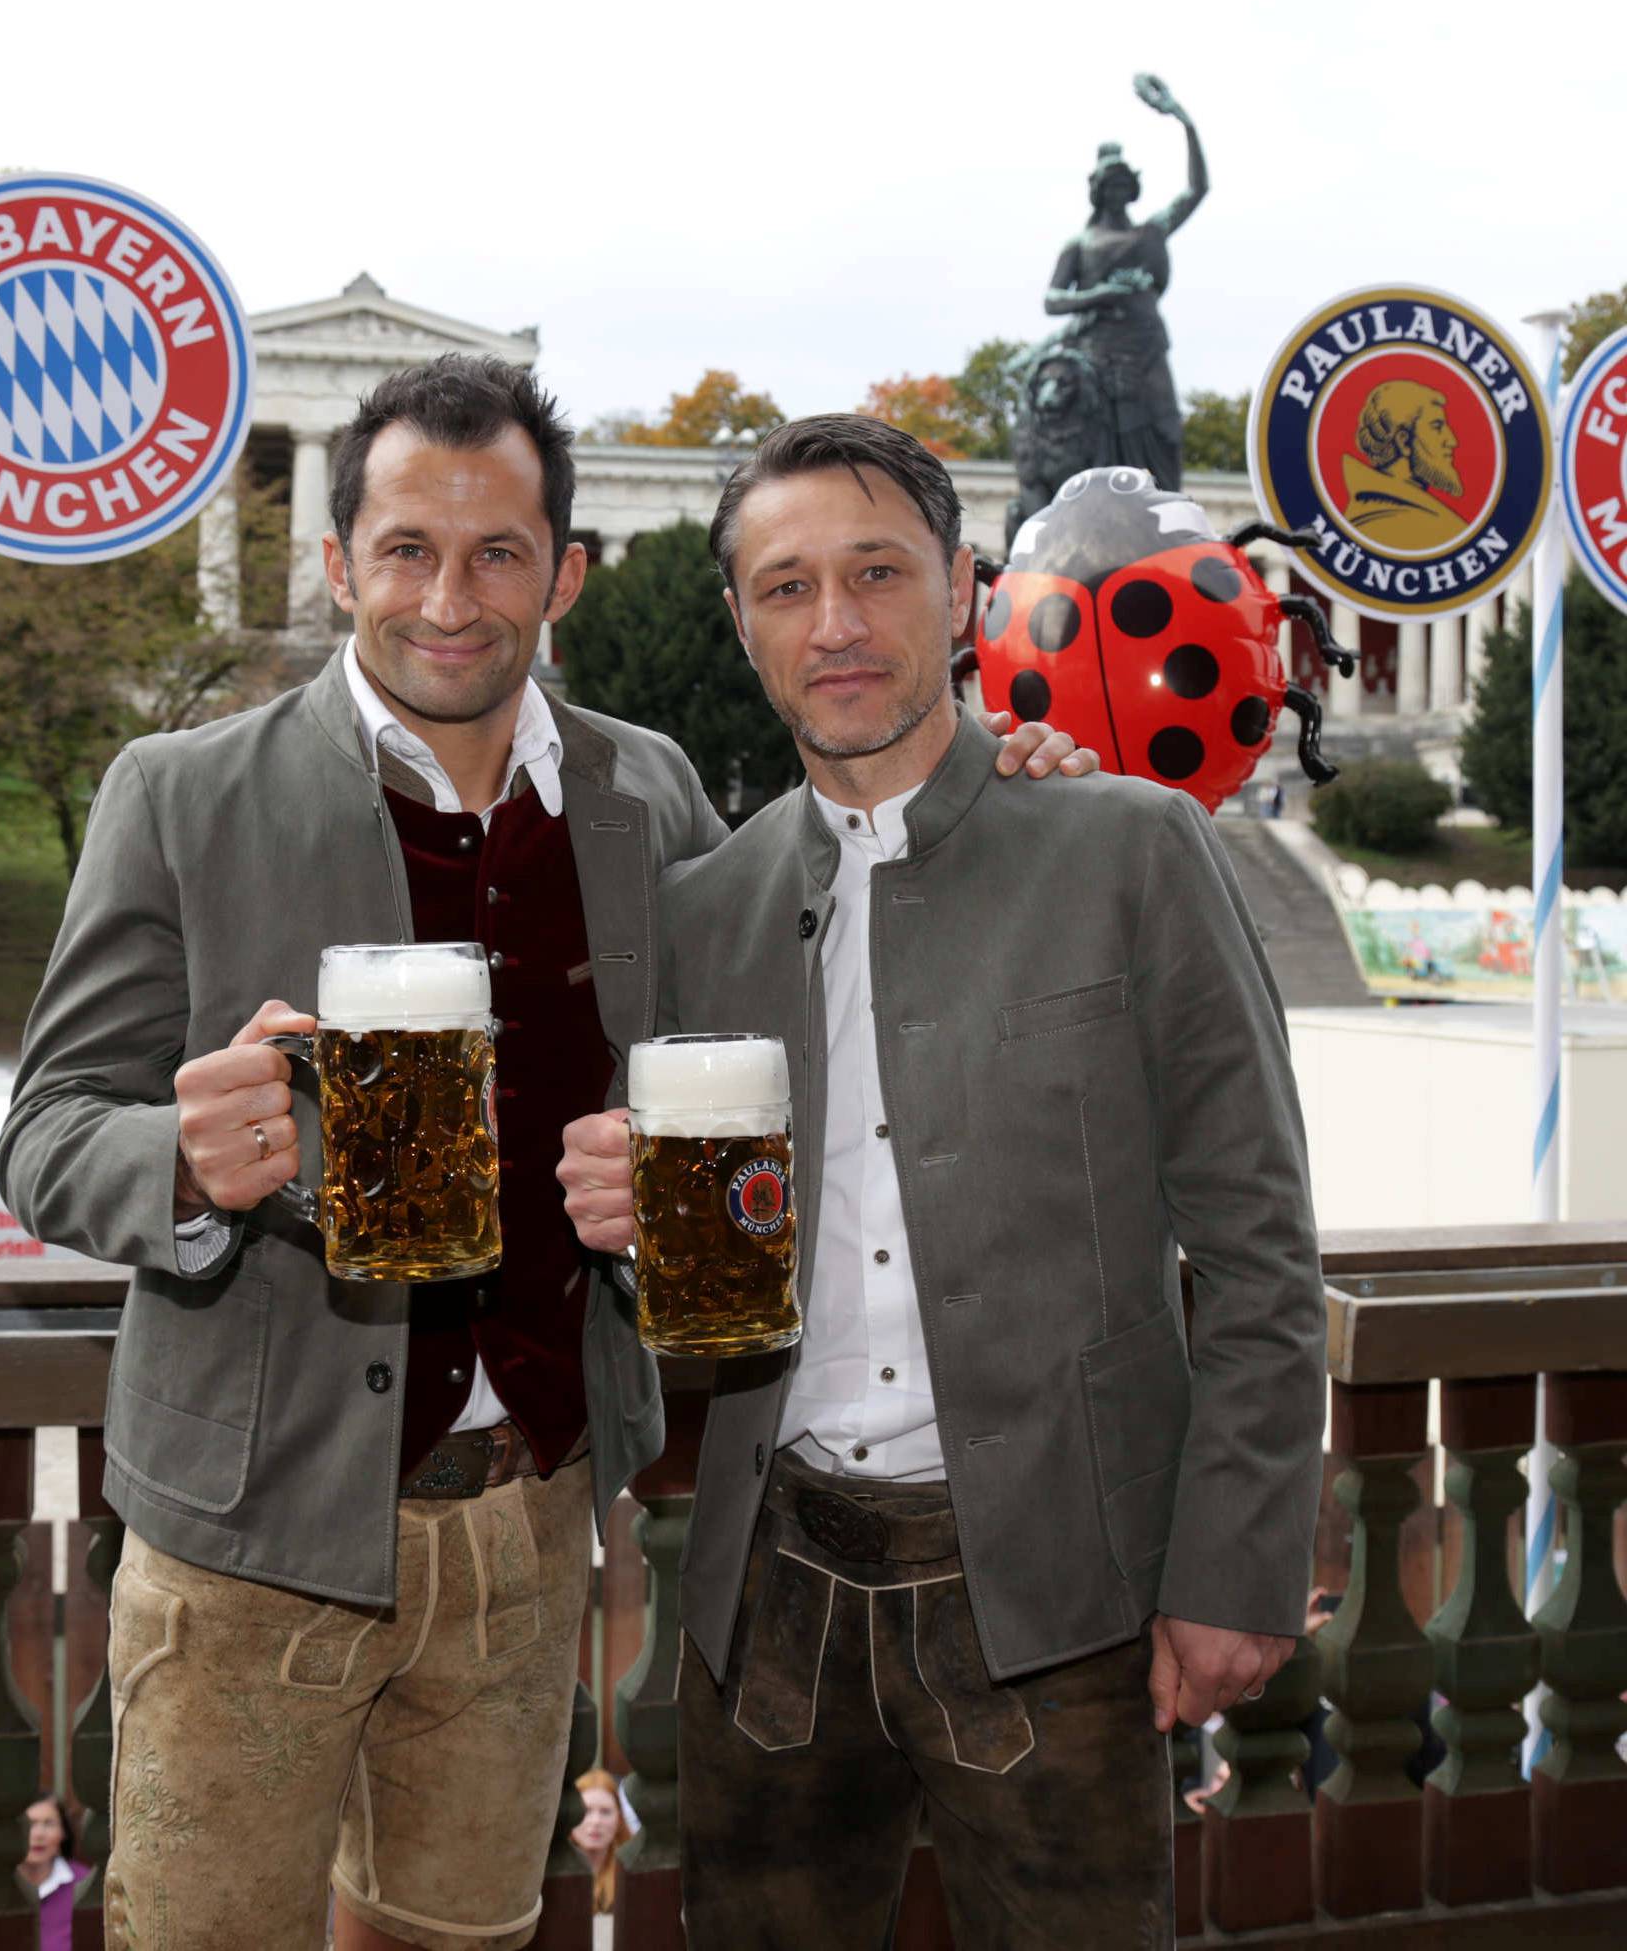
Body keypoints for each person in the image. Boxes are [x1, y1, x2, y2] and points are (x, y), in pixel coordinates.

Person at [0, 357, 1090, 1951]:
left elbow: (800, 999)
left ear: (564, 574)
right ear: (336, 561)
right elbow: (45, 1133)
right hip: (252, 1537)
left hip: (532, 1511)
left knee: (462, 1936)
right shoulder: (177, 795)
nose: (451, 597)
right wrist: (177, 1154)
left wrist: (1011, 792)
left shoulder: (650, 791)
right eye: (407, 549)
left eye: (499, 551)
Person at [558, 416, 1327, 1948]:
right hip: (765, 1592)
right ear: (741, 622)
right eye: (785, 586)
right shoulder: (703, 912)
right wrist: (635, 1239)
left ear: (965, 589)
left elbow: (1259, 1246)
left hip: (1058, 1591)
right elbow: (696, 1316)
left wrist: (1237, 1564)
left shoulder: (1133, 850)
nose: (834, 623)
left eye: (877, 573)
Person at [1040, 73, 1207, 491]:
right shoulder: (1081, 243)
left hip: (1148, 344)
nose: (1116, 189)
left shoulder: (1151, 231)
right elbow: (1052, 299)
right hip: (1099, 355)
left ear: (1131, 189)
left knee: (1166, 431)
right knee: (1100, 447)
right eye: (1109, 183)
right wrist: (1101, 294)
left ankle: (1163, 519)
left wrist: (1185, 122)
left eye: (1122, 183)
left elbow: (1197, 189)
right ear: (1098, 191)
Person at [1341, 381, 1466, 551]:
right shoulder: (1385, 521)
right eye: (1437, 427)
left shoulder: (1376, 510)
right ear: (1403, 441)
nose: (1452, 441)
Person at [20, 1793, 92, 1948]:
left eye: (49, 1824)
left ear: (63, 1833)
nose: (38, 1834)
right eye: (29, 1824)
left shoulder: (86, 1881)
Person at [568, 1768, 636, 1916]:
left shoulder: (632, 1872)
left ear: (619, 1818)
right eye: (586, 1811)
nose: (596, 1821)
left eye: (605, 1811)